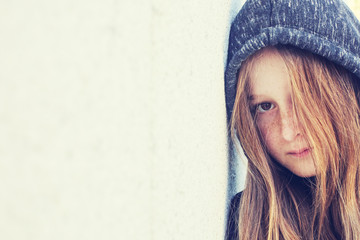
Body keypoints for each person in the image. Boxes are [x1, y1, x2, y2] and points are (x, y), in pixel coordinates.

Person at [224, 0, 360, 239]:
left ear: (349, 92)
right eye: (265, 107)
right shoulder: (248, 222)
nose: (288, 132)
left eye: (303, 99)